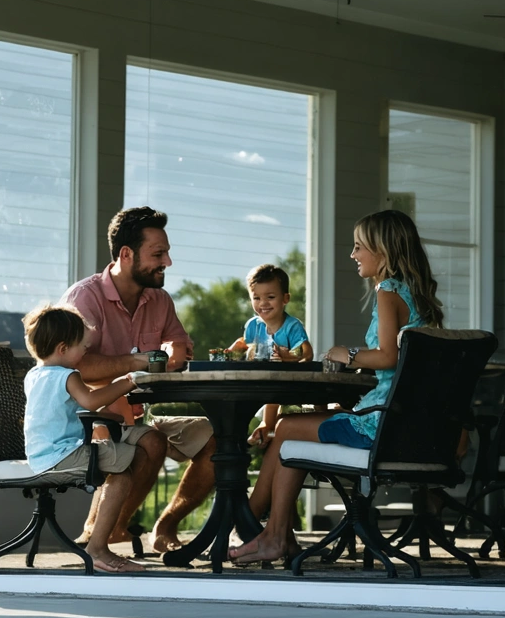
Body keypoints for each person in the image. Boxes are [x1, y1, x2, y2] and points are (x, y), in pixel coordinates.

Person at [228, 209, 443, 565]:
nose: (353, 254)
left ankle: (262, 530)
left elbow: (388, 356)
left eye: (359, 247)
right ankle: (265, 530)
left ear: (383, 251)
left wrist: (348, 354)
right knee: (297, 427)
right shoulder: (416, 296)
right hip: (402, 420)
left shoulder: (388, 290)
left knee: (285, 428)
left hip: (381, 424)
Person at [60, 206, 216, 553]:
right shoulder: (84, 298)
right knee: (150, 442)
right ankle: (107, 533)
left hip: (141, 414)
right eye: (158, 254)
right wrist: (133, 362)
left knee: (217, 441)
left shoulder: (159, 300)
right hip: (89, 417)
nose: (168, 262)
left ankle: (165, 526)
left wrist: (174, 352)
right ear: (126, 254)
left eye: (167, 252)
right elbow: (73, 366)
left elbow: (179, 344)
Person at [21, 303, 146, 574]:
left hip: (40, 456)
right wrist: (129, 381)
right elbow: (90, 402)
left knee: (120, 470)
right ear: (63, 349)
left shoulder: (34, 375)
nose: (86, 351)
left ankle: (99, 544)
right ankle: (98, 548)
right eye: (83, 347)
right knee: (134, 459)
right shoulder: (68, 375)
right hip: (62, 454)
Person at [228, 263, 314, 446]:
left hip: (287, 384)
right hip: (260, 383)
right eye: (256, 297)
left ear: (285, 298)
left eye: (271, 297)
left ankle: (267, 426)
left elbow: (307, 352)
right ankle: (240, 436)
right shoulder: (253, 325)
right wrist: (235, 350)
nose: (263, 303)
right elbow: (245, 343)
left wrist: (289, 356)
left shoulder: (292, 326)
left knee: (273, 389)